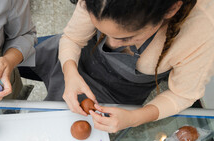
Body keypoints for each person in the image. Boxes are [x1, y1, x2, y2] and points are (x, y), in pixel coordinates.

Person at [21, 0, 214, 133]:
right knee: (14, 56)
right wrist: (70, 71)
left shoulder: (203, 30)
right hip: (75, 57)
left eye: (127, 38)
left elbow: (182, 95)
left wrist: (135, 118)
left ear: (171, 9)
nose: (111, 45)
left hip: (117, 92)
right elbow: (72, 37)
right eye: (101, 30)